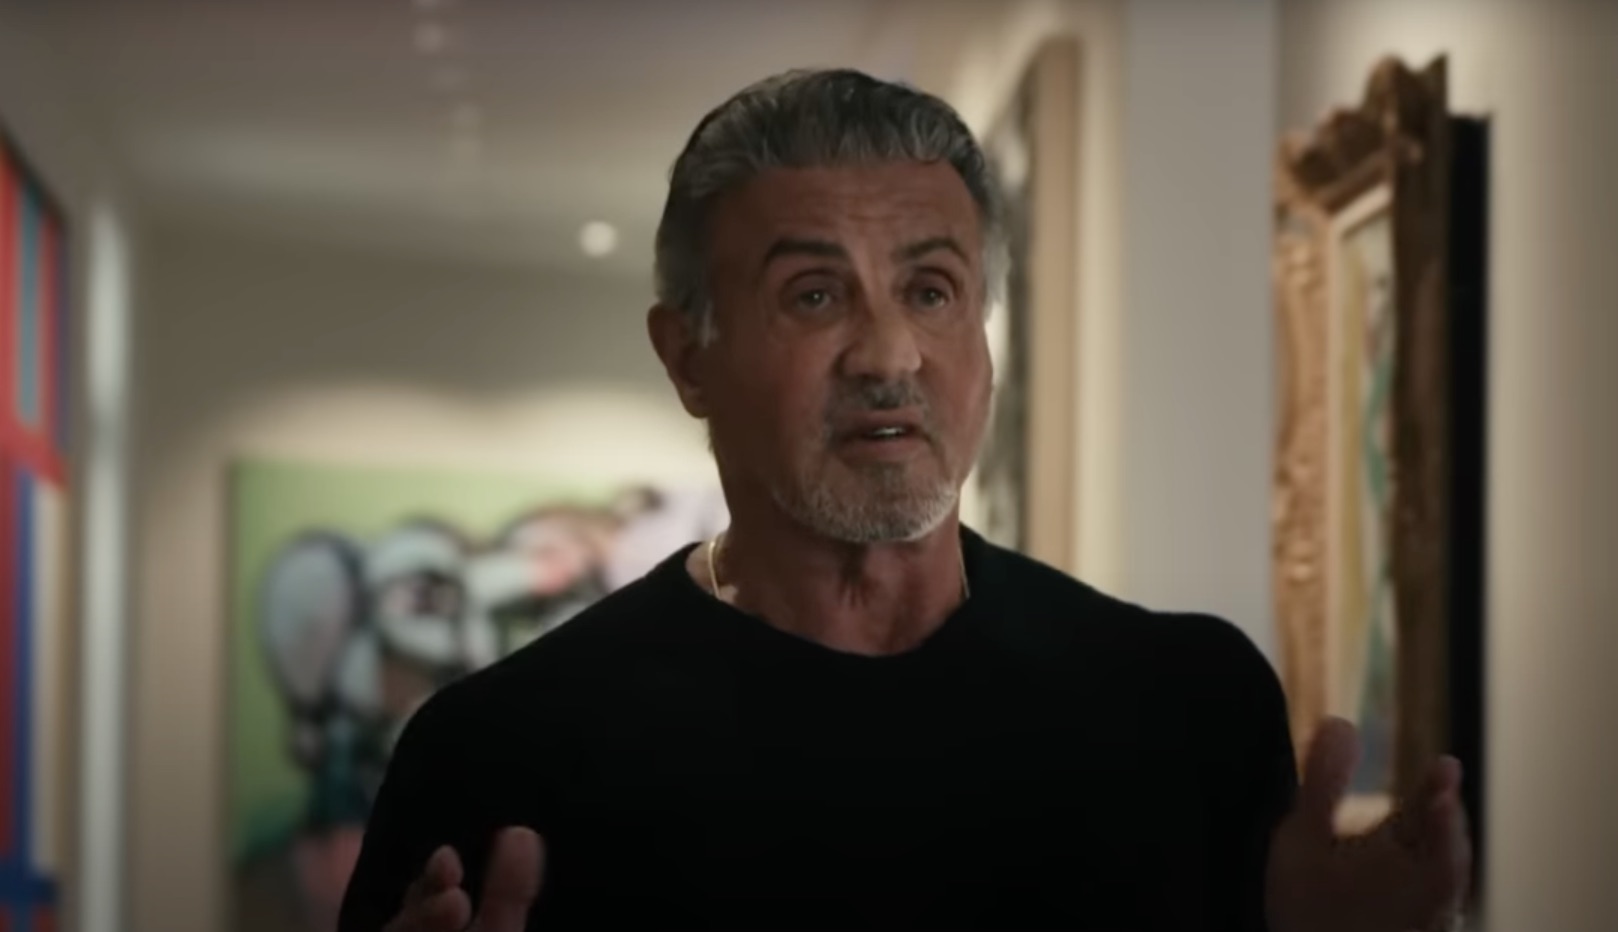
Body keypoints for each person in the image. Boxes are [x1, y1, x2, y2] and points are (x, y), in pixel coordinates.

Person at [336, 68, 1470, 932]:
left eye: (931, 290)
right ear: (687, 358)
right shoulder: (499, 756)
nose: (888, 354)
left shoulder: (1189, 706)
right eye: (813, 294)